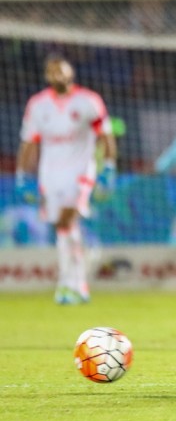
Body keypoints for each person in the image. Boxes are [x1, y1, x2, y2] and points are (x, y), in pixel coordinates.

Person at [16, 55, 118, 305]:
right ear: (47, 76)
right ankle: (76, 284)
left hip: (81, 171)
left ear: (71, 72)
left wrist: (108, 167)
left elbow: (106, 136)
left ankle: (68, 283)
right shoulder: (37, 105)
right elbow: (29, 142)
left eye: (61, 71)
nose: (57, 76)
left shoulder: (88, 101)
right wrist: (21, 175)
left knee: (66, 220)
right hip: (50, 173)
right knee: (62, 228)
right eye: (52, 73)